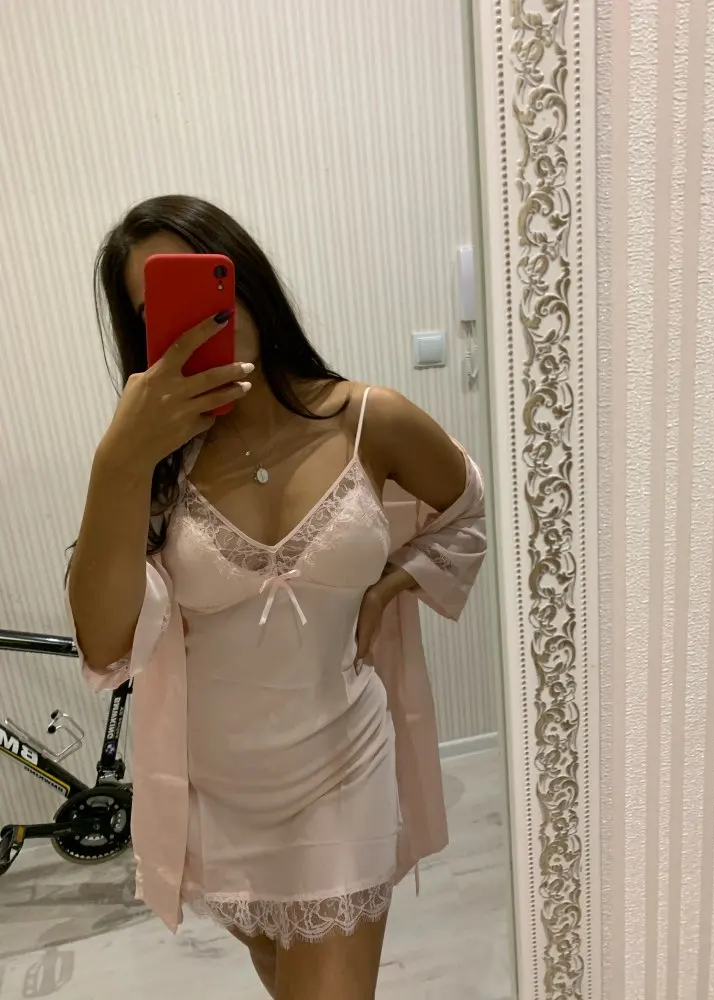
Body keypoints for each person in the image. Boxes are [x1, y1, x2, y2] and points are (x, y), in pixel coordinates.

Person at [68, 195, 485, 1000]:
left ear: (245, 281)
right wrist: (117, 461)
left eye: (205, 286)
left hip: (345, 769)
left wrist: (395, 581)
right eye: (161, 313)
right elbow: (104, 640)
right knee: (283, 973)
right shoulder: (155, 473)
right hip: (219, 798)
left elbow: (466, 508)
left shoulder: (367, 420)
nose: (196, 325)